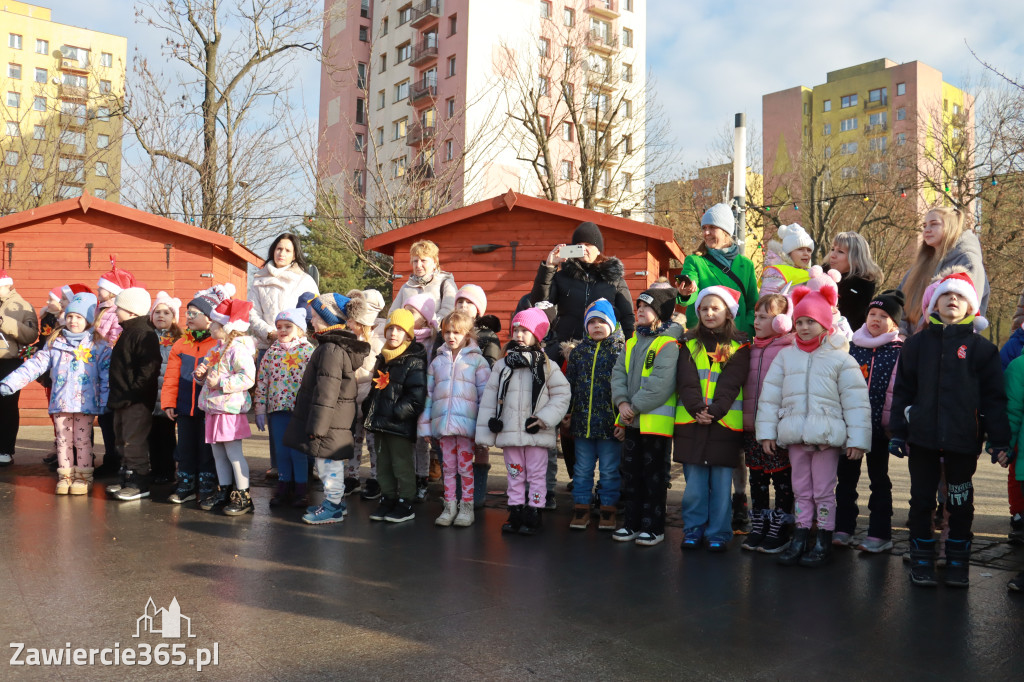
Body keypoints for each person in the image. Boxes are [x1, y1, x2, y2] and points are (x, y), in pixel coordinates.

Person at [889, 271, 1010, 587]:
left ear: (971, 306)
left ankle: (958, 562)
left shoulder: (982, 349)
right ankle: (921, 560)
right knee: (921, 502)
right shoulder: (916, 345)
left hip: (962, 440)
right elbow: (903, 391)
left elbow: (994, 399)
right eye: (945, 294)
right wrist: (898, 431)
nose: (952, 299)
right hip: (923, 439)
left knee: (960, 503)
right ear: (934, 304)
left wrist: (999, 440)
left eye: (959, 296)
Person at [756, 285, 871, 567]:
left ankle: (823, 538)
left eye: (811, 322)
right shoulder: (786, 356)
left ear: (825, 323)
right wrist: (767, 432)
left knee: (823, 490)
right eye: (800, 322)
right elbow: (770, 396)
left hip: (826, 438)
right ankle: (801, 534)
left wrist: (857, 440)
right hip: (795, 435)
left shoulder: (841, 359)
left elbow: (856, 402)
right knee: (801, 490)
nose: (805, 328)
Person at [0, 293, 109, 494]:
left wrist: (104, 401)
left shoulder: (99, 346)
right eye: (70, 316)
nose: (73, 321)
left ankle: (83, 477)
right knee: (63, 440)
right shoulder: (55, 343)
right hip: (61, 402)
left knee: (82, 441)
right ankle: (65, 476)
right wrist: (10, 382)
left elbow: (106, 375)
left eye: (78, 317)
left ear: (88, 320)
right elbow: (35, 365)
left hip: (85, 404)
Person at [477, 307, 570, 535]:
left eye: (525, 330)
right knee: (515, 473)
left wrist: (545, 418)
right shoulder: (502, 365)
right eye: (516, 329)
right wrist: (485, 434)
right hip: (509, 431)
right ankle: (516, 510)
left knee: (537, 475)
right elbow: (489, 399)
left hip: (535, 432)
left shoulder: (547, 366)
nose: (519, 334)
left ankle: (535, 510)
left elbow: (562, 395)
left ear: (537, 335)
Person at [285, 293, 373, 525]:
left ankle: (333, 507)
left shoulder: (331, 350)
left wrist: (318, 426)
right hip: (333, 419)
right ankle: (336, 502)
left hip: (329, 421)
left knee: (327, 463)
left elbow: (327, 391)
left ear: (329, 320)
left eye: (315, 316)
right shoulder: (332, 346)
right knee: (329, 462)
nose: (311, 321)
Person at [675, 287, 751, 551]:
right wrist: (697, 408)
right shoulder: (687, 342)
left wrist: (715, 410)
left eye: (715, 308)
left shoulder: (740, 345)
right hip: (691, 423)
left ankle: (719, 531)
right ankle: (693, 529)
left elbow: (732, 382)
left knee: (721, 486)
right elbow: (686, 380)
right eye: (704, 308)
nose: (709, 313)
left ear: (728, 313)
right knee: (694, 486)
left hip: (724, 425)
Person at [610, 287, 683, 547]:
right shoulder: (631, 342)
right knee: (631, 475)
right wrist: (621, 403)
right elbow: (618, 375)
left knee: (654, 477)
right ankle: (631, 523)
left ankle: (653, 527)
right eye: (638, 306)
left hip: (655, 425)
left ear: (661, 313)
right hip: (632, 421)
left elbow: (661, 384)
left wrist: (632, 408)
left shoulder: (669, 343)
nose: (639, 310)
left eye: (646, 307)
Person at [835, 290, 905, 553]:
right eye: (872, 314)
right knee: (846, 479)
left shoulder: (899, 351)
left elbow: (903, 391)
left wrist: (896, 426)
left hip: (881, 430)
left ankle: (879, 533)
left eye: (884, 316)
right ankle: (843, 528)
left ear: (894, 324)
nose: (876, 319)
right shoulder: (851, 348)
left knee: (879, 480)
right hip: (852, 428)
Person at [248, 232, 319, 479]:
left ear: (295, 254)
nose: (282, 253)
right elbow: (252, 313)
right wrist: (269, 333)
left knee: (301, 408)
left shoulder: (304, 280)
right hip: (268, 345)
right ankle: (278, 464)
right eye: (278, 248)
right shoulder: (259, 278)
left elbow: (312, 311)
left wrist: (295, 332)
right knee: (274, 407)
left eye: (287, 250)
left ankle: (307, 463)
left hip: (297, 348)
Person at [419, 311, 491, 527]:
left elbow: (485, 397)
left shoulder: (477, 362)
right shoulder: (437, 362)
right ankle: (449, 505)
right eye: (447, 332)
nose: (451, 336)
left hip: (467, 428)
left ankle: (466, 506)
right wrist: (426, 427)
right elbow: (429, 396)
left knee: (465, 468)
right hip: (444, 426)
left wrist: (483, 429)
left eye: (457, 332)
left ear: (467, 334)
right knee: (448, 468)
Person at [162, 285, 231, 505]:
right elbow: (171, 377)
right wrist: (168, 402)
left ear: (210, 319)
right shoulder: (181, 344)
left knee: (206, 448)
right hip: (184, 407)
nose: (189, 317)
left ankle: (207, 485)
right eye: (188, 313)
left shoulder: (218, 345)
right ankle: (186, 485)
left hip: (208, 408)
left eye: (194, 313)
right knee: (185, 448)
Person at [740, 294, 795, 553]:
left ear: (781, 321)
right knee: (757, 478)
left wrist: (775, 427)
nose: (756, 321)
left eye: (764, 317)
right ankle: (759, 524)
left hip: (775, 431)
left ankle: (781, 527)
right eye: (756, 316)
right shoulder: (749, 349)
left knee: (782, 479)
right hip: (751, 428)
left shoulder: (788, 350)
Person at [532, 221, 635, 359]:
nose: (583, 248)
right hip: (565, 350)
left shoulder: (614, 280)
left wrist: (629, 350)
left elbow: (627, 317)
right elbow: (540, 303)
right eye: (579, 245)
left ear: (598, 249)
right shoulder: (562, 277)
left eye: (588, 244)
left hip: (603, 352)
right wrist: (549, 267)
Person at [363, 309, 428, 525]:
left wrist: (396, 412)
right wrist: (369, 406)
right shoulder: (383, 358)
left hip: (399, 424)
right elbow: (375, 389)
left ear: (408, 334)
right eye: (390, 328)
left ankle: (405, 501)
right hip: (380, 422)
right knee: (383, 464)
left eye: (400, 330)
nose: (393, 333)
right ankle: (388, 497)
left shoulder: (414, 360)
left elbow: (416, 396)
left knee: (402, 464)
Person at [565, 299, 624, 532]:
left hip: (610, 425)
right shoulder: (579, 352)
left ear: (612, 324)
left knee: (609, 470)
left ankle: (608, 508)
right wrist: (568, 412)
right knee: (582, 469)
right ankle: (581, 507)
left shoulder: (620, 350)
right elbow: (570, 385)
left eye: (602, 321)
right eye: (592, 322)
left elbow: (625, 388)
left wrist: (623, 421)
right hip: (583, 424)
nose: (597, 326)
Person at [195, 298, 257, 516]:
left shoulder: (238, 350)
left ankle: (243, 495)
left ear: (226, 327)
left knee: (233, 453)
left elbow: (247, 377)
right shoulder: (217, 349)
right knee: (218, 454)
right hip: (214, 408)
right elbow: (209, 379)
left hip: (229, 410)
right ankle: (225, 490)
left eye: (213, 323)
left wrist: (221, 382)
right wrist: (201, 376)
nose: (210, 325)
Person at [255, 308, 315, 509]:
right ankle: (283, 486)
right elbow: (262, 381)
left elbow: (315, 383)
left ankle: (301, 489)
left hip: (299, 412)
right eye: (279, 326)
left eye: (288, 326)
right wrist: (260, 408)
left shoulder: (308, 351)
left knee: (297, 451)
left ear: (300, 330)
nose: (282, 330)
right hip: (277, 410)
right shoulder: (271, 352)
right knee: (281, 452)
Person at [105, 288, 162, 500]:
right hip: (121, 398)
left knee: (133, 441)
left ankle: (139, 481)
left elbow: (148, 370)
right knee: (121, 439)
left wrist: (134, 394)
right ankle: (126, 476)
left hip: (135, 400)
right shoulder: (128, 331)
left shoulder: (144, 334)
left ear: (131, 311)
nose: (115, 311)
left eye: (118, 308)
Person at [898, 206, 989, 336]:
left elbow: (963, 310)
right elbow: (898, 301)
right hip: (910, 343)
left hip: (950, 342)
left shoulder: (968, 261)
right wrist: (900, 333)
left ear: (951, 226)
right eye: (924, 226)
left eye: (934, 224)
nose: (927, 230)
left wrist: (921, 339)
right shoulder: (920, 265)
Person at [453, 283, 501, 506]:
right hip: (453, 399)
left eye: (469, 302)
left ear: (478, 309)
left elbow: (491, 366)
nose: (463, 305)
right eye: (460, 301)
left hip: (477, 398)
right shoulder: (449, 330)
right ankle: (456, 492)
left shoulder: (488, 336)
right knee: (455, 446)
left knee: (480, 445)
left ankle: (478, 492)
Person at [92, 257, 136, 478]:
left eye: (101, 287)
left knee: (110, 418)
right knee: (104, 418)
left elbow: (114, 342)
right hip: (100, 370)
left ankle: (116, 459)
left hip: (110, 371)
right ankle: (111, 456)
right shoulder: (100, 310)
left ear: (112, 291)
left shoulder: (115, 313)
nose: (98, 290)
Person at [343, 289, 386, 500]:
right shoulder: (351, 336)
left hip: (371, 395)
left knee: (372, 441)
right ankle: (352, 476)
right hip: (352, 394)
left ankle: (376, 478)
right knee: (353, 439)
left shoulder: (381, 336)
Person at [0, 269, 39, 467]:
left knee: (6, 406)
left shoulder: (23, 306)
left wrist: (4, 322)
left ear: (7, 285)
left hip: (8, 361)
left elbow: (31, 336)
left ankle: (5, 450)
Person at [403, 293, 440, 498]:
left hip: (424, 395)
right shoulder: (404, 337)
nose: (407, 315)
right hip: (406, 395)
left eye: (412, 312)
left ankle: (422, 478)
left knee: (421, 441)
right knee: (408, 439)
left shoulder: (432, 341)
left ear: (425, 318)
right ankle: (409, 478)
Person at [148, 292, 183, 485]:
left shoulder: (179, 340)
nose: (161, 316)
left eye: (166, 312)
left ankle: (168, 470)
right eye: (157, 312)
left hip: (168, 397)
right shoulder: (147, 337)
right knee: (152, 435)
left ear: (174, 318)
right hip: (151, 396)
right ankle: (156, 469)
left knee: (167, 435)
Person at [827, 232, 882, 333]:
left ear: (855, 257)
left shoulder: (862, 285)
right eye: (832, 249)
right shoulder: (820, 276)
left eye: (840, 252)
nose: (833, 255)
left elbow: (852, 322)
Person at [760, 223, 815, 297]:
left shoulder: (810, 272)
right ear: (789, 252)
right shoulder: (777, 271)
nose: (806, 253)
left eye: (809, 250)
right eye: (800, 249)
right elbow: (767, 299)